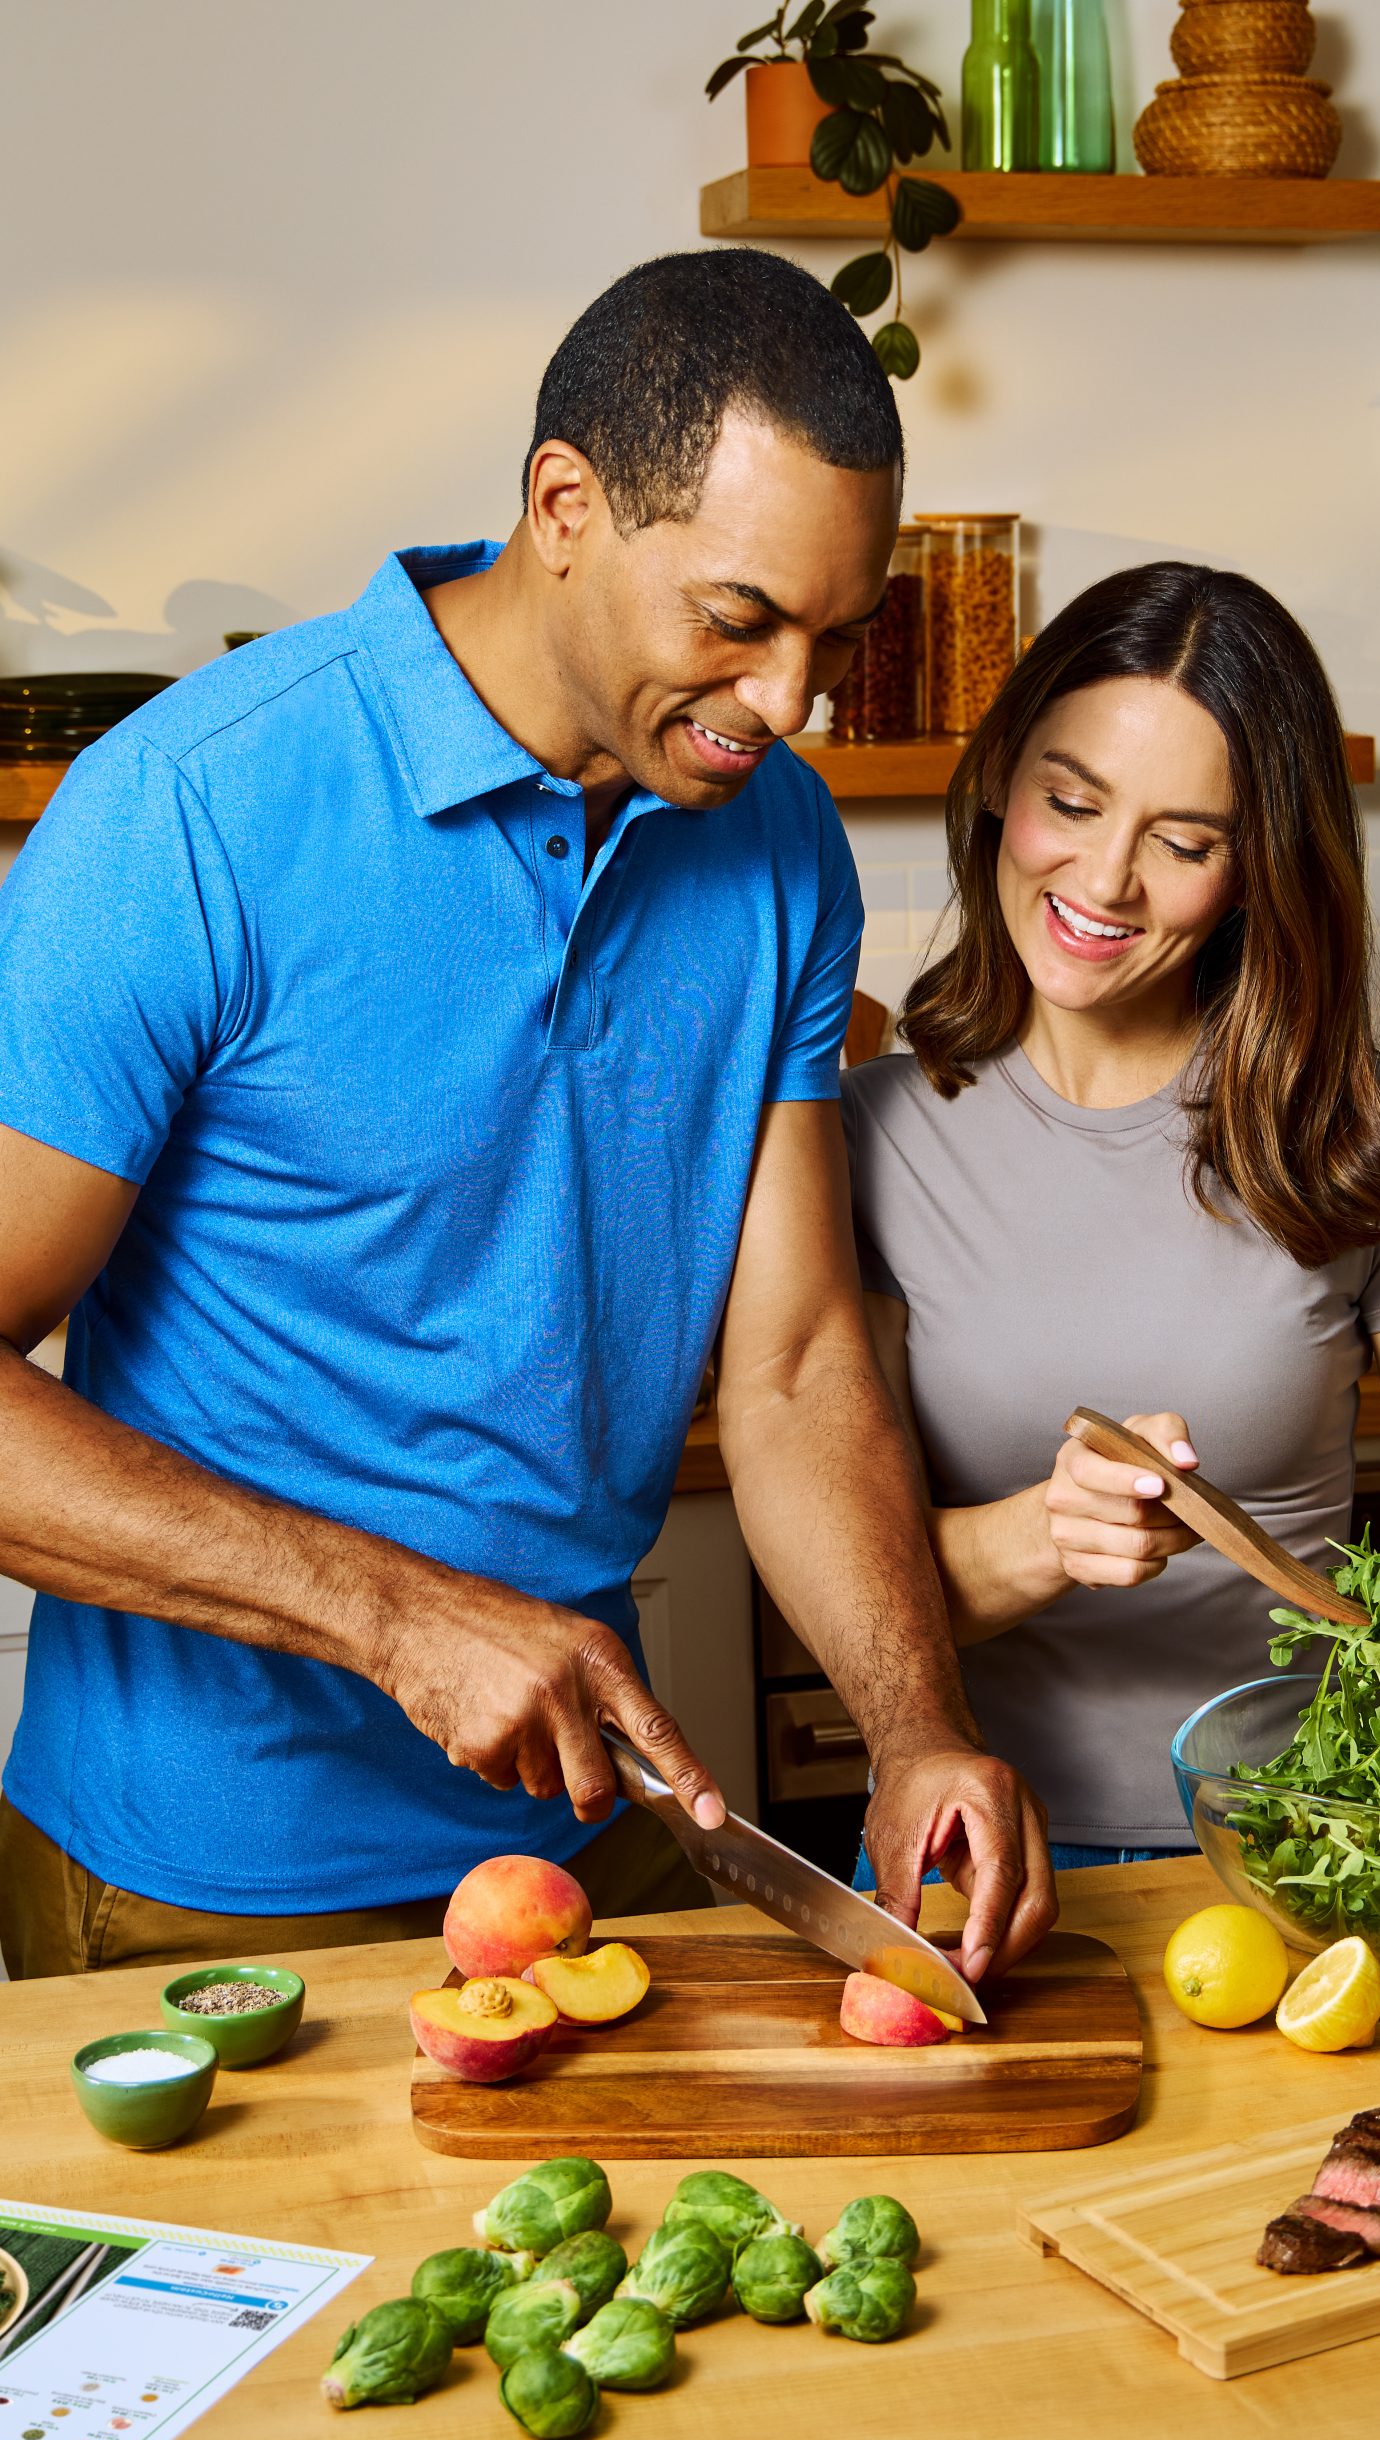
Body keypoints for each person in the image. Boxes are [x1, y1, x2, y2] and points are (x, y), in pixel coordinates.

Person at [0, 250, 1051, 1982]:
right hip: (198, 1888)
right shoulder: (189, 814)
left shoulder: (773, 841)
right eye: (737, 619)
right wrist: (398, 1618)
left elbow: (789, 1363)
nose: (790, 705)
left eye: (832, 637)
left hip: (577, 1853)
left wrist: (911, 1720)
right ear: (564, 503)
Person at [841, 563, 1380, 1866]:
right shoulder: (867, 1137)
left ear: (1252, 872)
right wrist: (1045, 1533)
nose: (1105, 879)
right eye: (1069, 802)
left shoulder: (1356, 1132)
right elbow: (842, 1602)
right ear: (1001, 782)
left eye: (1183, 844)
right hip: (984, 1860)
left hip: (1301, 1847)